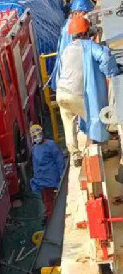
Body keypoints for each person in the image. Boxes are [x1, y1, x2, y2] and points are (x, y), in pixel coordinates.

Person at [55, 14, 121, 166]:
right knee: (96, 118)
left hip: (61, 93)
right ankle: (103, 150)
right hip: (77, 94)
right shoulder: (89, 46)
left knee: (68, 123)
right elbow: (104, 56)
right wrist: (112, 72)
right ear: (86, 32)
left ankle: (75, 155)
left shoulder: (67, 50)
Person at [51, 0, 95, 88]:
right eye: (86, 13)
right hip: (70, 77)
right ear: (79, 13)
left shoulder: (68, 23)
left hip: (66, 77)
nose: (87, 16)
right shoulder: (74, 27)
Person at [29, 124, 65, 221]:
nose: (37, 138)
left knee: (55, 199)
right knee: (47, 200)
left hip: (52, 180)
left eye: (38, 134)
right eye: (34, 136)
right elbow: (35, 166)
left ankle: (55, 217)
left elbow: (59, 160)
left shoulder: (51, 145)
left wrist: (62, 175)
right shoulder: (34, 149)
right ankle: (50, 216)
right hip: (42, 182)